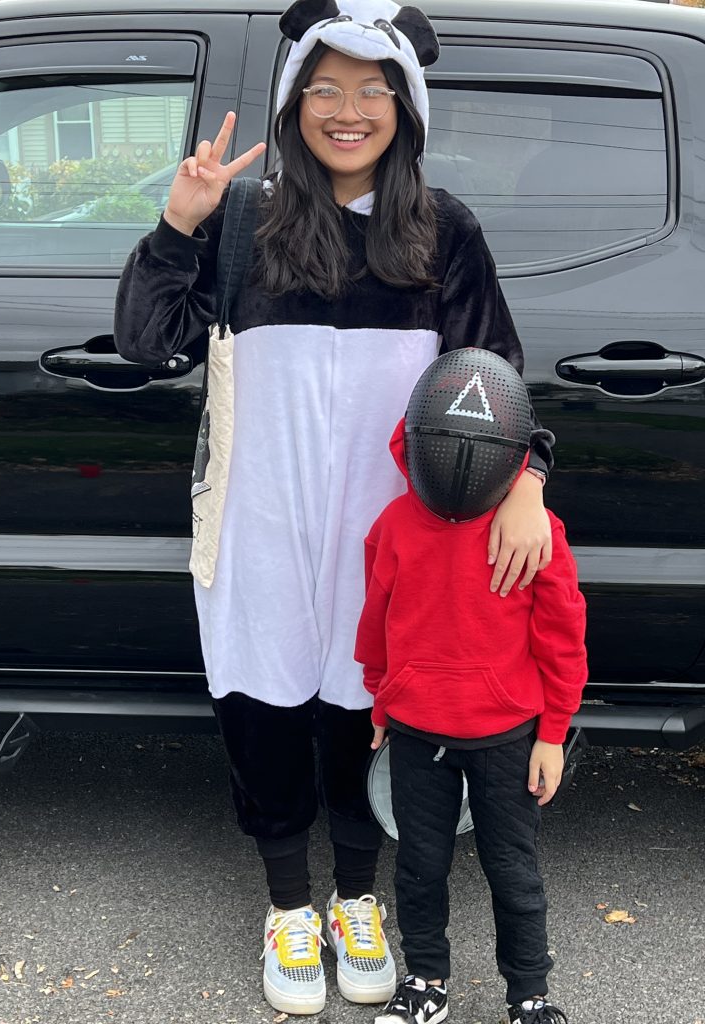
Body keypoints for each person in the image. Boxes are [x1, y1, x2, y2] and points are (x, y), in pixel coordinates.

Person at [114, 0, 556, 1015]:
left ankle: (358, 896)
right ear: (293, 101)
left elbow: (493, 376)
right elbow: (146, 344)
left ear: (406, 107)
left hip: (396, 536)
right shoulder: (244, 225)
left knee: (370, 713)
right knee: (263, 709)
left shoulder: (442, 231)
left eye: (371, 91)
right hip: (261, 525)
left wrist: (528, 480)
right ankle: (287, 905)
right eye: (325, 88)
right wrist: (179, 223)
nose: (347, 111)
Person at [355, 347, 588, 1024]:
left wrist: (552, 734)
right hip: (415, 731)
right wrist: (380, 698)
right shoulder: (393, 526)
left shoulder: (535, 533)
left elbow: (562, 639)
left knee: (513, 872)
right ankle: (425, 982)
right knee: (418, 869)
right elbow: (377, 622)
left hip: (508, 738)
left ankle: (530, 994)